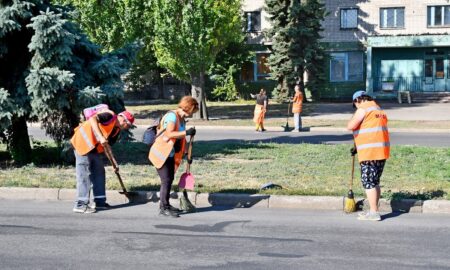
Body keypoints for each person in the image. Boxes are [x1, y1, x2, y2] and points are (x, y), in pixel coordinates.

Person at [70, 108, 135, 213]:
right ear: (123, 120)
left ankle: (99, 202)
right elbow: (92, 119)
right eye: (128, 125)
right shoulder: (110, 115)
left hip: (93, 148)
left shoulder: (116, 130)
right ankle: (80, 204)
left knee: (99, 172)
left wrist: (114, 163)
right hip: (82, 142)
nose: (127, 128)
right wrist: (100, 137)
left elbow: (107, 146)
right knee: (84, 174)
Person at [149, 96, 199, 218]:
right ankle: (163, 208)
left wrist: (187, 153)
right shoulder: (172, 116)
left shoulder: (181, 119)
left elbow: (181, 138)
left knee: (169, 179)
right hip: (161, 153)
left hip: (170, 153)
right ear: (189, 107)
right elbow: (169, 133)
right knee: (166, 180)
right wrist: (186, 132)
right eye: (193, 110)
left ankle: (166, 204)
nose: (193, 113)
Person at [347, 90, 390, 221]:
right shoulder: (378, 109)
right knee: (375, 182)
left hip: (370, 152)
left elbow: (351, 126)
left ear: (357, 100)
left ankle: (374, 213)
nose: (356, 107)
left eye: (355, 104)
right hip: (381, 151)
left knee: (368, 182)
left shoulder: (363, 109)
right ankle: (373, 210)